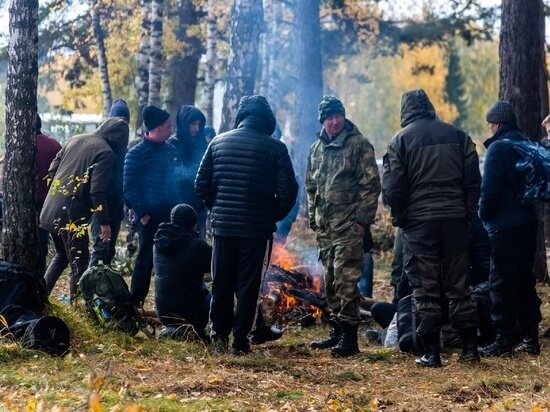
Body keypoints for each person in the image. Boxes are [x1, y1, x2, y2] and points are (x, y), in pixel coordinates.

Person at [382, 89, 481, 367]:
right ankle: (470, 348)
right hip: (454, 221)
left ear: (405, 110)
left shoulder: (399, 141)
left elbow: (392, 188)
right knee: (459, 285)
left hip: (420, 225)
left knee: (425, 288)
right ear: (429, 107)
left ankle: (431, 352)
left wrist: (401, 218)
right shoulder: (458, 136)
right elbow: (474, 180)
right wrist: (467, 213)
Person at [195, 95, 298, 356]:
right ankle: (240, 342)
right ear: (268, 120)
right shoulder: (276, 149)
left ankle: (218, 338)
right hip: (256, 231)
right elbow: (289, 192)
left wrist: (216, 210)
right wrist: (271, 215)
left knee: (221, 284)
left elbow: (200, 185)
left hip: (223, 229)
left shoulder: (218, 143)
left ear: (241, 117)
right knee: (248, 287)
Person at [306, 96, 381, 357]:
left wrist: (362, 221)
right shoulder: (316, 148)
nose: (334, 121)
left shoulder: (358, 145)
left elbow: (371, 186)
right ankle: (338, 331)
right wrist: (314, 218)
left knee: (346, 281)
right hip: (326, 229)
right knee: (329, 281)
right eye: (329, 118)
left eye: (337, 116)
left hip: (349, 226)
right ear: (323, 121)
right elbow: (310, 186)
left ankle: (350, 338)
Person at [154, 203, 283, 344]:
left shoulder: (158, 245)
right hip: (190, 314)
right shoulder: (195, 246)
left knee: (201, 287)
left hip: (164, 312)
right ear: (193, 223)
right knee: (227, 293)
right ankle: (257, 331)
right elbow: (224, 267)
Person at [478, 101, 542, 356]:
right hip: (528, 221)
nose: (490, 129)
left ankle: (504, 340)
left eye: (491, 124)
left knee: (501, 283)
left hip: (504, 227)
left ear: (497, 123)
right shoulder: (525, 144)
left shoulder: (498, 149)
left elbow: (489, 191)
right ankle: (530, 338)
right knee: (525, 280)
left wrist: (483, 215)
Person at [41, 118, 129, 300]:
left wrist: (61, 193)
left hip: (50, 209)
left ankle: (40, 298)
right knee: (80, 265)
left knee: (62, 256)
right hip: (71, 216)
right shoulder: (106, 152)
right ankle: (79, 309)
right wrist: (104, 223)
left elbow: (51, 171)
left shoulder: (75, 138)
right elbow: (97, 192)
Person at [123, 105, 181, 307]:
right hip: (149, 217)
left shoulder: (171, 150)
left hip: (171, 214)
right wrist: (143, 212)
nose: (171, 129)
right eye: (167, 126)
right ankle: (136, 301)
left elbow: (178, 181)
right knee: (146, 258)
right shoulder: (136, 153)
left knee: (173, 258)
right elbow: (129, 187)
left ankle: (171, 303)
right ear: (155, 128)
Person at [89, 99, 130, 267]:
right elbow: (96, 187)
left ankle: (102, 286)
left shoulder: (124, 151)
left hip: (116, 204)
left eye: (125, 121)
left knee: (109, 250)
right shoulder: (101, 147)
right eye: (118, 119)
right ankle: (89, 288)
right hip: (100, 204)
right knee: (100, 248)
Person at [169, 106, 208, 239]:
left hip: (199, 207)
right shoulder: (173, 145)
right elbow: (170, 179)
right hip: (177, 207)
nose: (197, 129)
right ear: (184, 123)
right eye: (193, 124)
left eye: (199, 124)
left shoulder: (202, 145)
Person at [35, 115, 62, 276]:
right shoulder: (53, 145)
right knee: (59, 249)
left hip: (30, 204)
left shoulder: (19, 146)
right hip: (53, 202)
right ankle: (42, 283)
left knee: (36, 245)